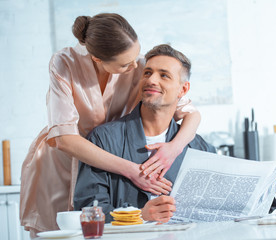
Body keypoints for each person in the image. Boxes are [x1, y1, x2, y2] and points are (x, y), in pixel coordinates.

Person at [20, 13, 201, 236]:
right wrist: (133, 171)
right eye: (127, 64)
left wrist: (173, 149)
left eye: (137, 57)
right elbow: (65, 139)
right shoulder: (65, 63)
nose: (136, 66)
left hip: (112, 152)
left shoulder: (139, 64)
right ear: (97, 60)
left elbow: (191, 114)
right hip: (64, 164)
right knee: (60, 231)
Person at [74, 44, 276, 223]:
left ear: (183, 90)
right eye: (147, 73)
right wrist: (140, 216)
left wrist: (269, 187)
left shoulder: (199, 147)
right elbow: (87, 211)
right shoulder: (103, 140)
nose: (151, 80)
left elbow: (230, 206)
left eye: (164, 75)